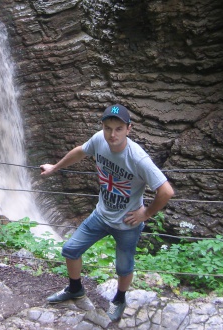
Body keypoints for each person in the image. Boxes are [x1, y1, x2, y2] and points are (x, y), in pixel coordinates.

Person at [40, 104, 174, 322]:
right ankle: (75, 289)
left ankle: (119, 299)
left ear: (129, 129)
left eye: (119, 129)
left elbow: (166, 191)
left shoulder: (137, 158)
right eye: (108, 128)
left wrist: (145, 214)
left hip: (127, 223)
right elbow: (80, 151)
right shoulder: (99, 140)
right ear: (102, 127)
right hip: (101, 215)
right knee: (70, 249)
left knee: (124, 267)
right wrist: (55, 167)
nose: (112, 134)